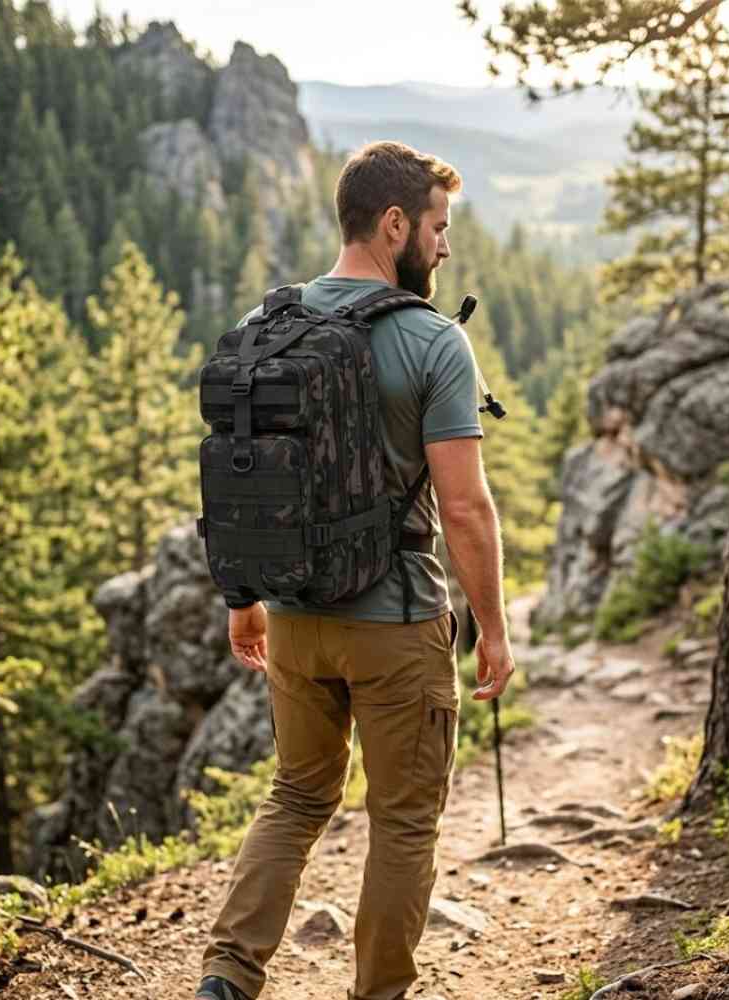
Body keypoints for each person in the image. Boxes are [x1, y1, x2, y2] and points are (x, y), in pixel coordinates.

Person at [196, 141, 515, 1000]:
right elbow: (465, 508)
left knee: (297, 797)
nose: (445, 247)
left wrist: (244, 600)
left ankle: (227, 976)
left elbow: (244, 475)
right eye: (439, 228)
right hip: (398, 625)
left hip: (294, 615)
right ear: (395, 224)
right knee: (404, 822)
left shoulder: (273, 327)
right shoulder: (432, 343)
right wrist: (491, 627)